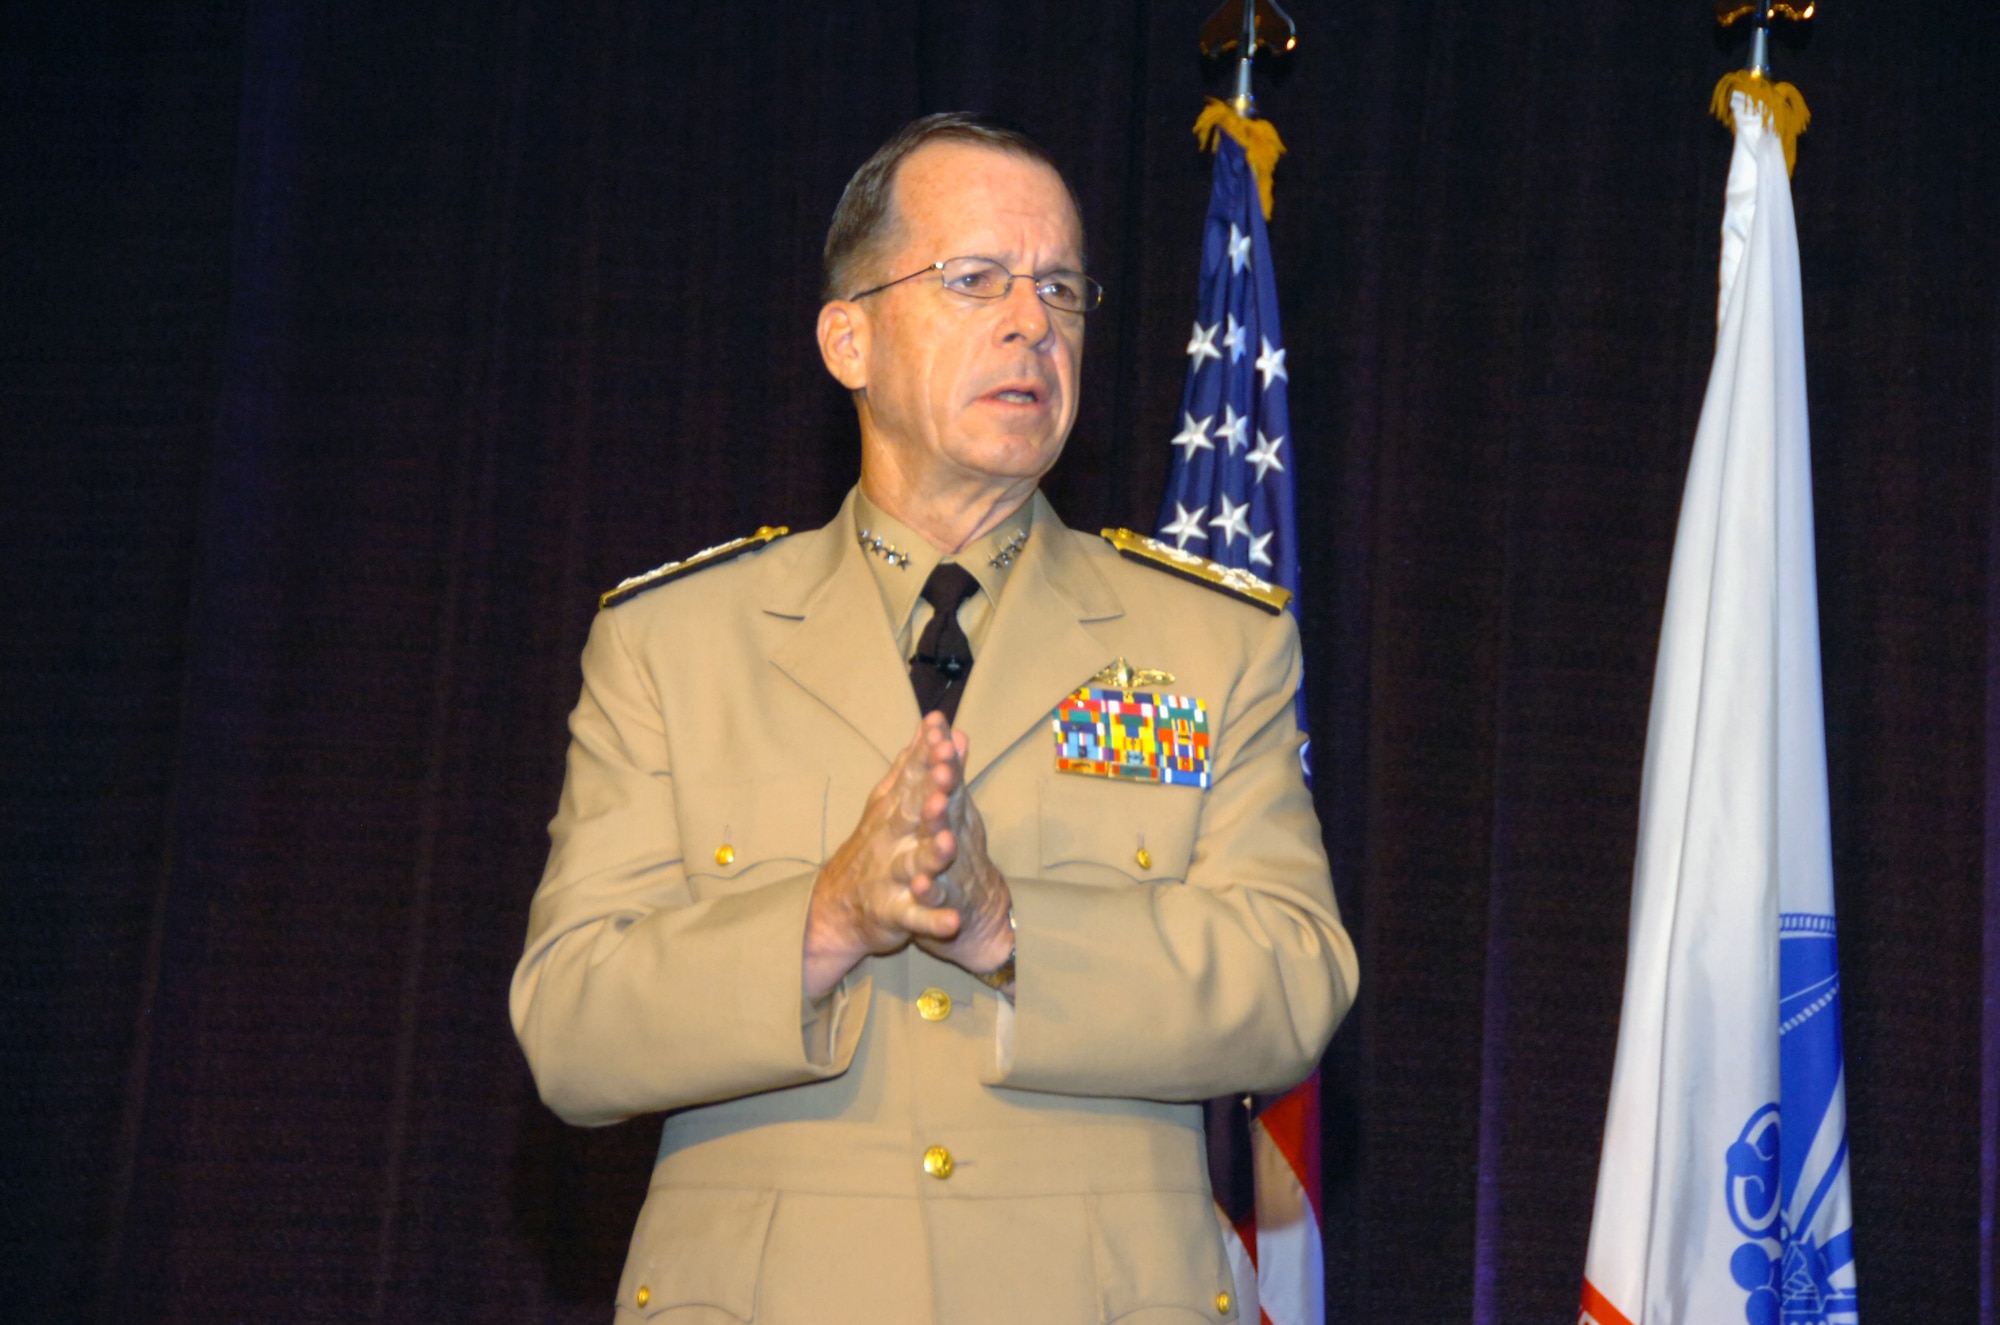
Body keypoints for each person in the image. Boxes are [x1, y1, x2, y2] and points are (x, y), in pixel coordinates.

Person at [511, 112, 1357, 1325]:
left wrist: (1012, 928)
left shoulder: (1211, 643)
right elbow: (572, 1026)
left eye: (1061, 289)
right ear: (845, 338)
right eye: (975, 280)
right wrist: (827, 915)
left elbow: (1295, 980)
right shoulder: (673, 643)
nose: (1032, 322)